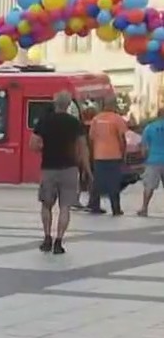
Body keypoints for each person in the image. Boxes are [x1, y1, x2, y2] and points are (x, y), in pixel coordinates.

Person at [30, 91, 90, 254]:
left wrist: (44, 148)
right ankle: (59, 241)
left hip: (49, 168)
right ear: (69, 104)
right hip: (69, 169)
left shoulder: (44, 121)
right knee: (65, 207)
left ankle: (47, 238)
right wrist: (87, 169)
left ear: (54, 103)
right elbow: (83, 148)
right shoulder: (74, 123)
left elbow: (33, 145)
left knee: (46, 205)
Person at [87, 96, 129, 215]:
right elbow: (122, 138)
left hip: (99, 155)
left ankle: (94, 205)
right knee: (114, 182)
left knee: (97, 181)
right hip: (114, 155)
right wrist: (123, 153)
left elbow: (91, 138)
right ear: (113, 105)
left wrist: (92, 153)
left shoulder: (96, 119)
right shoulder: (117, 119)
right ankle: (116, 208)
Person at [138, 107, 164, 216]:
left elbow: (144, 148)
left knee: (149, 186)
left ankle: (144, 208)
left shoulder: (150, 127)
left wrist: (145, 158)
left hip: (153, 160)